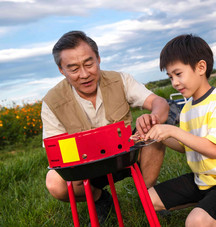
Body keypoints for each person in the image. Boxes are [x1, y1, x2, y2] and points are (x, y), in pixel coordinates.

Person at [41, 31, 169, 223]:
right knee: (54, 183)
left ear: (99, 58)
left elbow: (160, 103)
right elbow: (58, 152)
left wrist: (153, 117)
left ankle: (149, 196)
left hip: (127, 155)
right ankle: (100, 198)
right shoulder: (52, 101)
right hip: (85, 167)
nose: (84, 74)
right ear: (61, 70)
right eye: (74, 69)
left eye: (89, 63)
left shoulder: (121, 80)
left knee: (155, 132)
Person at [145, 34, 216, 227]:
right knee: (148, 199)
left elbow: (214, 149)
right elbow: (183, 145)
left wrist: (172, 130)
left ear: (201, 68)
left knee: (195, 223)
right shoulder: (187, 108)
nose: (174, 83)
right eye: (170, 77)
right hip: (202, 180)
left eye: (178, 74)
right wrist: (158, 134)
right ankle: (207, 206)